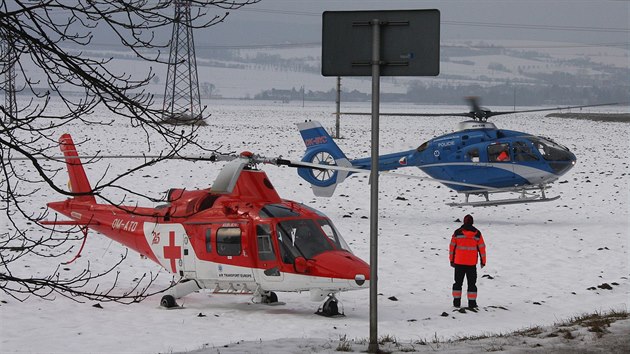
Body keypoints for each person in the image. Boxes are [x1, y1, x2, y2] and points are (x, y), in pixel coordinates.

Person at [449, 214, 486, 309]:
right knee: (472, 284)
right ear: (472, 222)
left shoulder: (457, 233)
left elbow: (452, 247)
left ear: (464, 222)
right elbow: (482, 248)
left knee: (457, 283)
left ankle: (456, 303)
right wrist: (483, 261)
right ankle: (472, 303)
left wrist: (451, 260)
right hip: (471, 264)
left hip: (459, 263)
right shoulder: (477, 233)